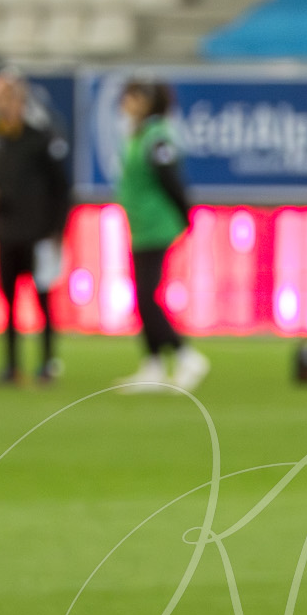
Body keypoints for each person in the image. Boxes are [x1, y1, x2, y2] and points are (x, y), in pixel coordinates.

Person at [0, 69, 72, 386]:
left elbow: (61, 188)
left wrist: (57, 231)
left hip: (38, 233)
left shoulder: (40, 140)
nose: (5, 106)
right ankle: (11, 366)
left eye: (10, 99)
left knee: (43, 302)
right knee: (9, 303)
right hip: (6, 232)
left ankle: (47, 363)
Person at [113, 79, 208, 393]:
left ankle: (184, 353)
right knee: (142, 296)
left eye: (132, 96)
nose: (125, 101)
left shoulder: (156, 137)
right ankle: (152, 363)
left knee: (147, 295)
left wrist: (183, 215)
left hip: (156, 225)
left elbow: (170, 179)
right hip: (140, 225)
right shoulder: (139, 134)